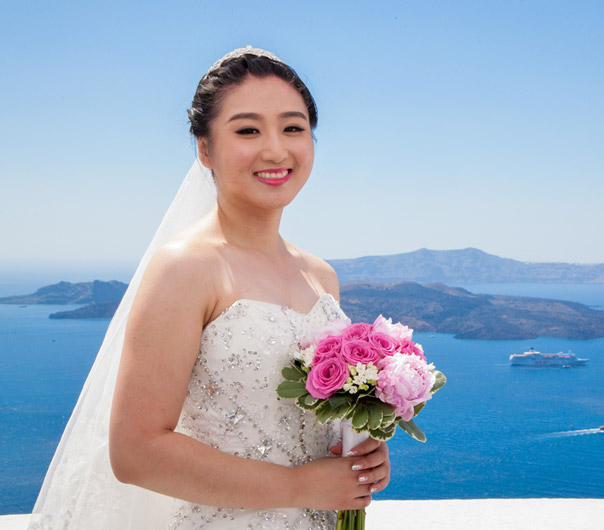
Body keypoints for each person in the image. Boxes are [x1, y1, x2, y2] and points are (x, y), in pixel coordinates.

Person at [28, 46, 390, 530]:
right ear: (205, 149)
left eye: (293, 128)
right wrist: (298, 487)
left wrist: (358, 450)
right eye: (247, 130)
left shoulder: (321, 277)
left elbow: (307, 418)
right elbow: (135, 452)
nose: (276, 149)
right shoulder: (186, 267)